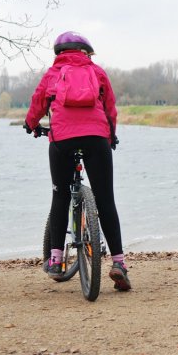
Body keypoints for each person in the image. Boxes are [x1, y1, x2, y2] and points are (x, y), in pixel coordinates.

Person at [23, 31, 131, 291]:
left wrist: (31, 124)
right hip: (97, 139)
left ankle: (57, 260)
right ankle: (118, 263)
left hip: (62, 141)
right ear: (85, 51)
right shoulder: (97, 72)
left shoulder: (52, 74)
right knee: (106, 200)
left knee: (60, 197)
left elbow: (38, 103)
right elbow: (110, 108)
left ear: (59, 53)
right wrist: (111, 135)